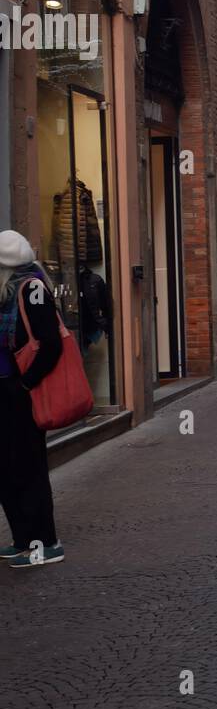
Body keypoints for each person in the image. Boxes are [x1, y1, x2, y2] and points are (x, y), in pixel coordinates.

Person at [0, 230, 65, 568]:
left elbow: (51, 343)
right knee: (6, 468)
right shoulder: (7, 292)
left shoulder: (32, 288)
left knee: (28, 467)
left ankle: (46, 543)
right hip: (5, 390)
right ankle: (23, 538)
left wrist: (25, 383)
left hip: (20, 392)